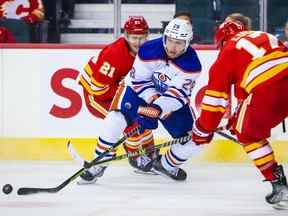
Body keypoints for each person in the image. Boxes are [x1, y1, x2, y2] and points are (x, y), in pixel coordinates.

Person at [79, 18, 202, 183]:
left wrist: (158, 107)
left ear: (187, 43)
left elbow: (178, 95)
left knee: (195, 138)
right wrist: (152, 101)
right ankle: (98, 163)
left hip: (170, 102)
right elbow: (139, 82)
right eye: (170, 41)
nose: (173, 47)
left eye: (179, 43)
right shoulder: (148, 50)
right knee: (115, 119)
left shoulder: (192, 65)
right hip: (139, 93)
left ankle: (166, 164)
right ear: (164, 37)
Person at [190, 21, 288, 209]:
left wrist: (202, 130)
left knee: (247, 135)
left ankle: (279, 185)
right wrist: (237, 118)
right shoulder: (264, 35)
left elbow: (214, 103)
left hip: (266, 90)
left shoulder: (226, 53)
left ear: (221, 42)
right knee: (242, 125)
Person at [78, 16, 156, 184]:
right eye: (134, 37)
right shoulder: (114, 54)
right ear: (126, 36)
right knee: (126, 122)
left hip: (119, 92)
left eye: (142, 37)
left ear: (147, 35)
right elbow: (97, 89)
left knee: (143, 119)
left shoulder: (149, 51)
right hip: (97, 96)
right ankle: (110, 161)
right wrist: (128, 98)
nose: (138, 42)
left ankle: (151, 155)